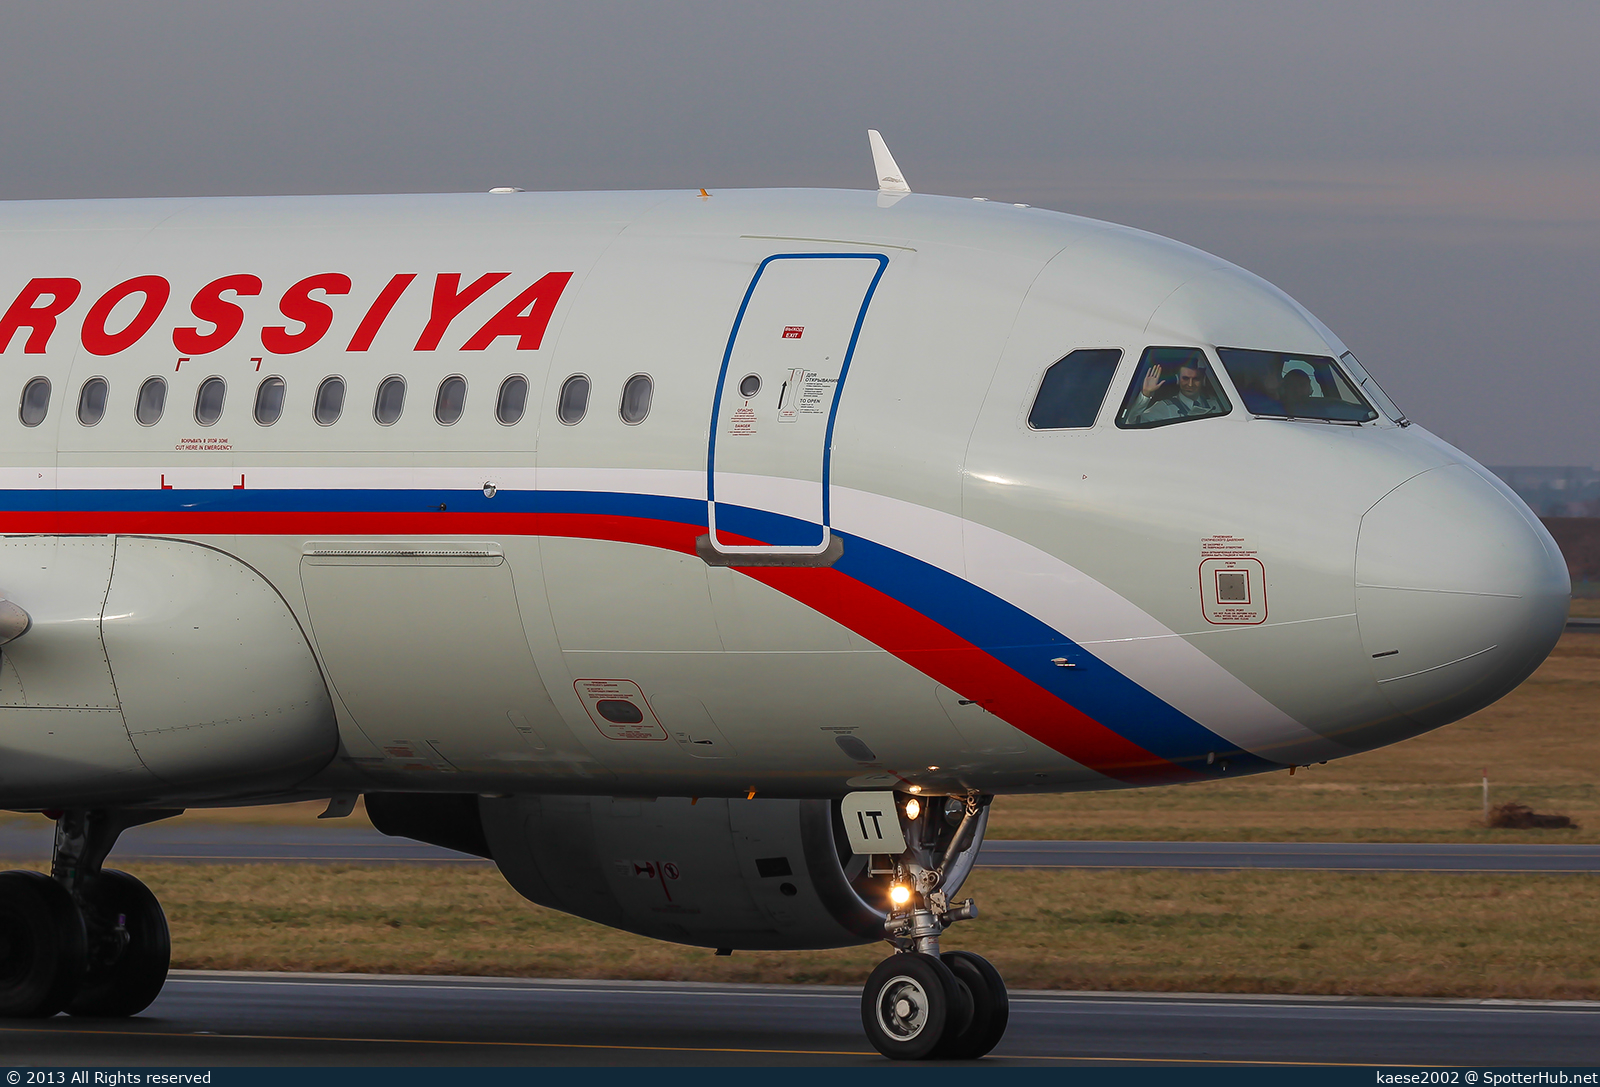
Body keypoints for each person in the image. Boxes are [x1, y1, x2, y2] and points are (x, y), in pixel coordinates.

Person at [1126, 359, 1227, 424]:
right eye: (1185, 378)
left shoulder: (1217, 405)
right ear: (1178, 379)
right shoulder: (1164, 407)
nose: (1190, 384)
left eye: (1196, 379)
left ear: (1203, 380)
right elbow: (1131, 423)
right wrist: (1146, 394)